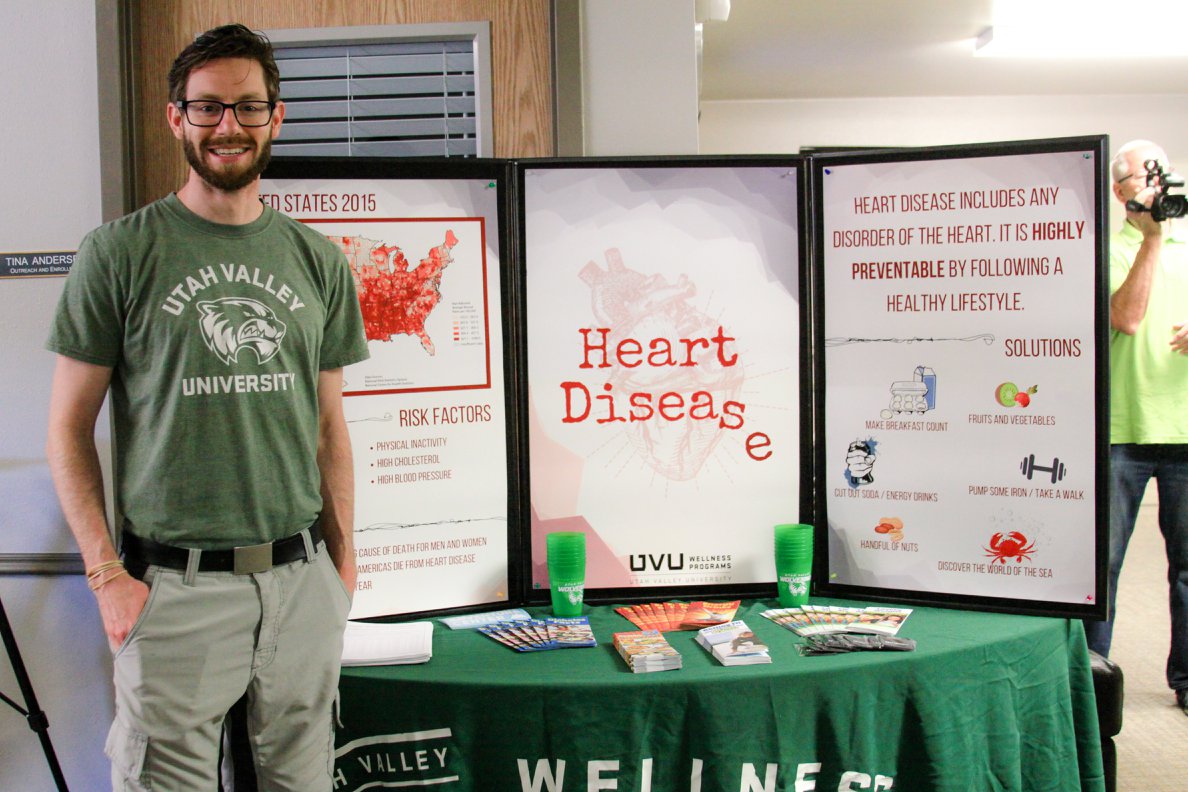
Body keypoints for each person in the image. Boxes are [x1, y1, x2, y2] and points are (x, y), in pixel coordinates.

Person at [45, 23, 369, 789]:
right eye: (209, 108)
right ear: (176, 118)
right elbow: (66, 428)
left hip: (299, 582)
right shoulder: (119, 253)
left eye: (248, 108)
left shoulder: (318, 260)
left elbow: (328, 427)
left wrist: (342, 561)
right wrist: (106, 576)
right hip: (172, 589)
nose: (229, 126)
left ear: (276, 118)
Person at [1086, 139, 1188, 716]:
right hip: (1121, 429)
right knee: (1104, 565)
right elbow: (1125, 316)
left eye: (1158, 175)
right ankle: (1093, 674)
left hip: (1185, 427)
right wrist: (1151, 238)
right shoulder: (1107, 247)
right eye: (1137, 179)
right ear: (1118, 190)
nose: (1151, 187)